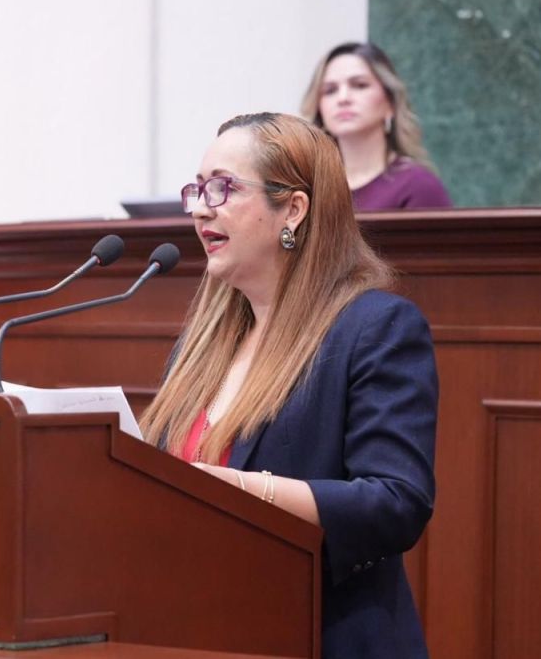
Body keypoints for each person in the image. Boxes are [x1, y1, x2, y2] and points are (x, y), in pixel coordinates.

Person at [141, 113, 437, 657]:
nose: (200, 207)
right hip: (202, 630)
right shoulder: (200, 345)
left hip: (321, 634)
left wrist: (238, 488)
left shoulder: (374, 328)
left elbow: (395, 503)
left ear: (294, 209)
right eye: (197, 189)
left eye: (223, 188)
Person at [300, 41, 453, 211]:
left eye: (360, 85)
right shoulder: (305, 190)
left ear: (390, 103)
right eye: (330, 90)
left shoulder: (420, 186)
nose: (343, 98)